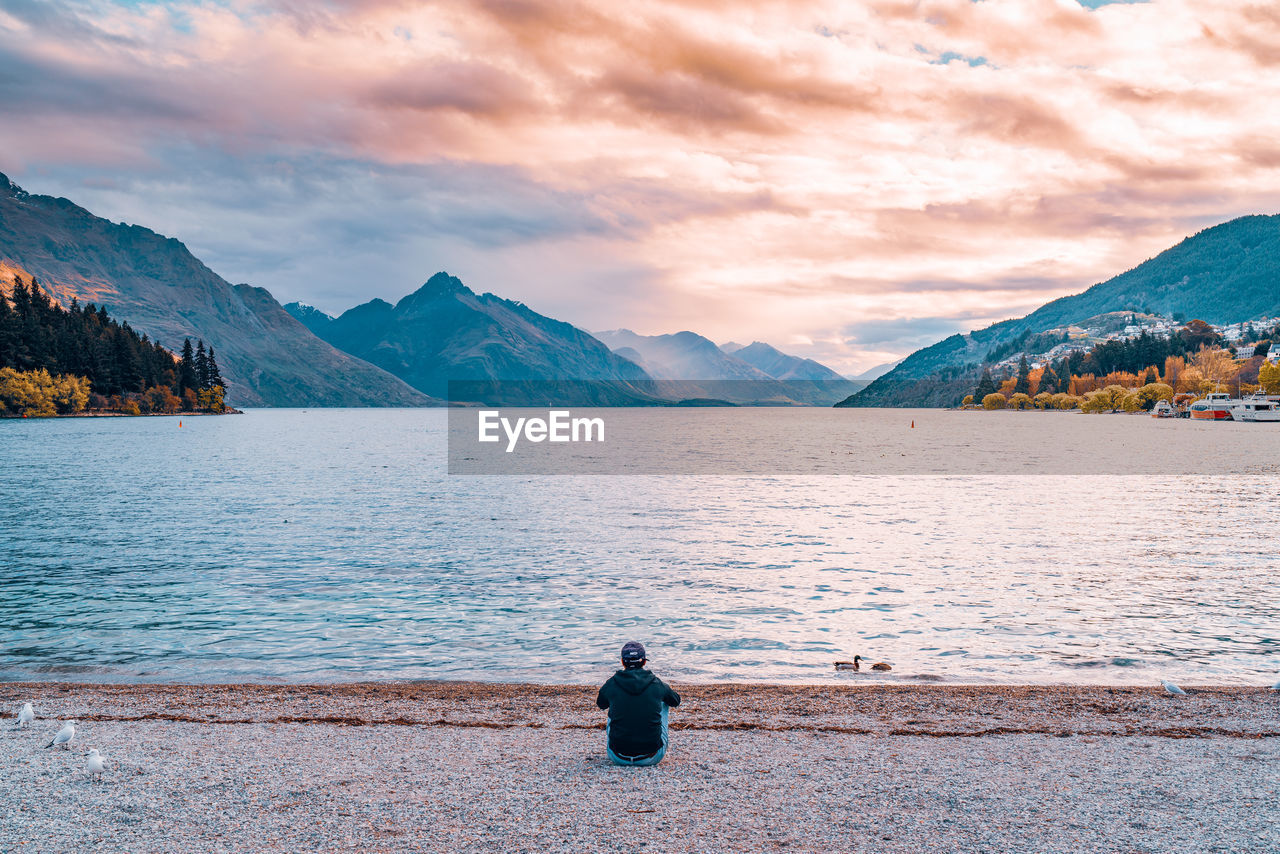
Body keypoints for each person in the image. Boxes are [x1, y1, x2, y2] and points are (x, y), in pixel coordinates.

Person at [595, 641, 680, 766]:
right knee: (664, 702)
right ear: (644, 661)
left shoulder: (612, 683)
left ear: (623, 662)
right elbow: (675, 701)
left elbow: (601, 704)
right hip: (652, 756)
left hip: (618, 756)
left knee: (613, 704)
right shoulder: (656, 683)